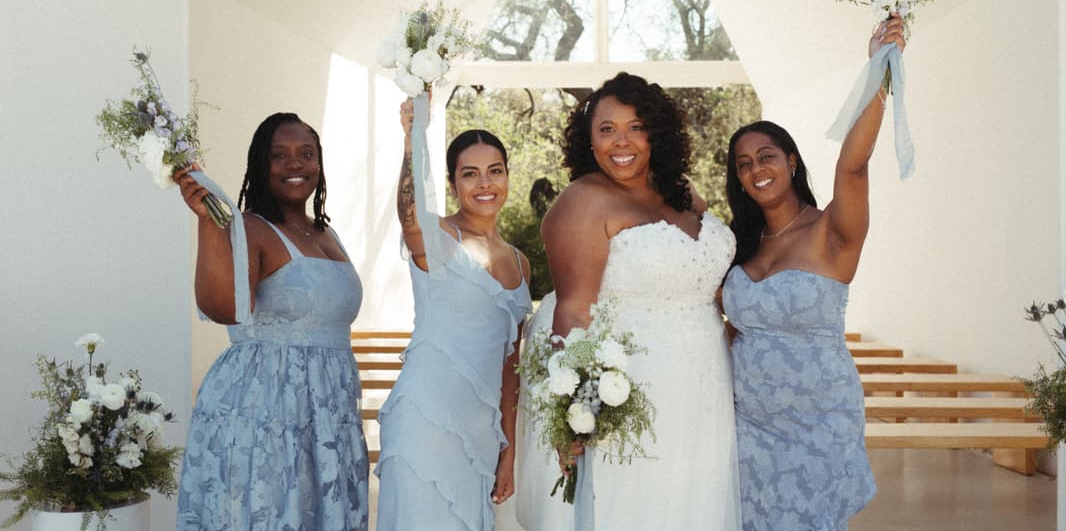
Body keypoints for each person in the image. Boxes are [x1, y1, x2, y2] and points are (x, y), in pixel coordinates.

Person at [517, 72, 741, 530]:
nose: (622, 141)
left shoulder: (681, 190)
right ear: (589, 139)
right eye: (607, 129)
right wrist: (572, 413)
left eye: (636, 127)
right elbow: (573, 309)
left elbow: (705, 275)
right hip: (633, 388)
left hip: (704, 384)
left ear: (656, 132)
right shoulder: (583, 201)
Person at [721, 15, 906, 530]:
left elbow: (853, 165)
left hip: (819, 423)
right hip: (748, 426)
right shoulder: (737, 245)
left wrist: (879, 71)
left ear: (791, 162)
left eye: (766, 156)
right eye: (743, 164)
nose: (756, 169)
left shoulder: (832, 231)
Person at [173, 113, 369, 531]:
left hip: (326, 413)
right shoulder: (251, 228)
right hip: (267, 411)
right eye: (279, 155)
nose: (295, 164)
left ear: (319, 163)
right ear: (261, 164)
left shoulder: (326, 233)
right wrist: (208, 222)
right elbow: (222, 308)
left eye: (306, 154)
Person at [374, 97, 531, 531]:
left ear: (507, 176)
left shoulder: (520, 263)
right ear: (452, 182)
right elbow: (409, 215)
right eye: (469, 173)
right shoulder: (439, 236)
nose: (485, 183)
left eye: (494, 171)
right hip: (424, 418)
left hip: (480, 433)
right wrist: (412, 140)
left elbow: (511, 368)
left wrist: (509, 451)